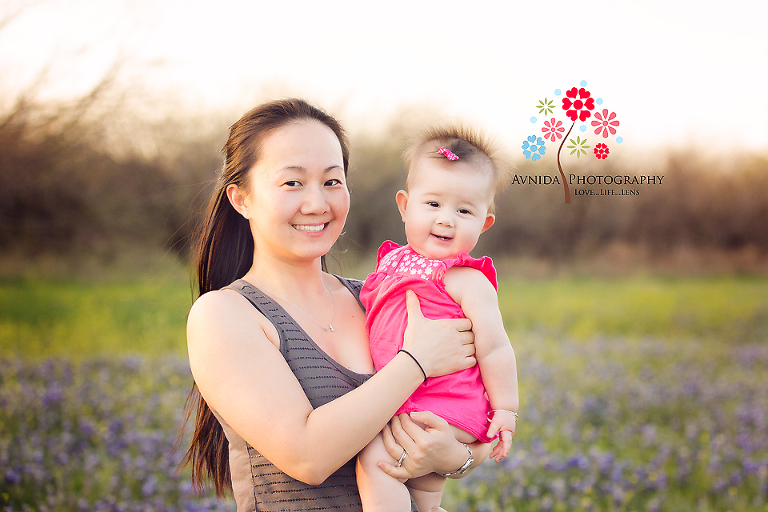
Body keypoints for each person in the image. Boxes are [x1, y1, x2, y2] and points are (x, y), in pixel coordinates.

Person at [180, 98, 493, 512]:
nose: (317, 203)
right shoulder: (224, 315)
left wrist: (456, 458)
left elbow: (467, 403)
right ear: (242, 199)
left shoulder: (380, 299)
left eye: (332, 181)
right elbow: (308, 456)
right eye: (292, 183)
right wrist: (415, 361)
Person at [355, 125, 520, 512]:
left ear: (484, 223)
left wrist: (506, 410)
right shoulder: (391, 263)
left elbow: (495, 349)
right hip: (404, 396)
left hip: (444, 403)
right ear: (404, 206)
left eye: (464, 211)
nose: (446, 219)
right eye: (433, 205)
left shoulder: (468, 281)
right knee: (423, 493)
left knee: (375, 461)